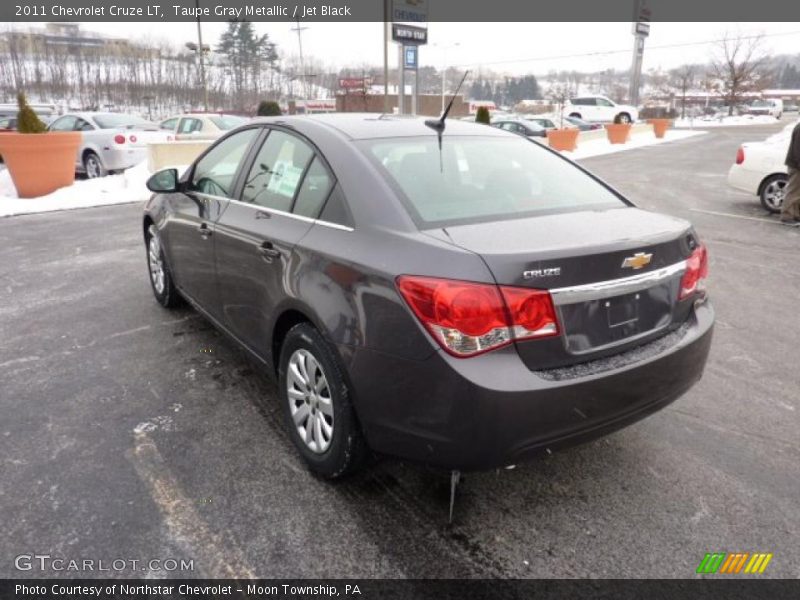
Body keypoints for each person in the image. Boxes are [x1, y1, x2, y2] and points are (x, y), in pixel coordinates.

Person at [781, 119, 800, 226]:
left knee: (798, 193)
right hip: (796, 166)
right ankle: (787, 216)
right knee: (793, 191)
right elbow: (798, 150)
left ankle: (796, 215)